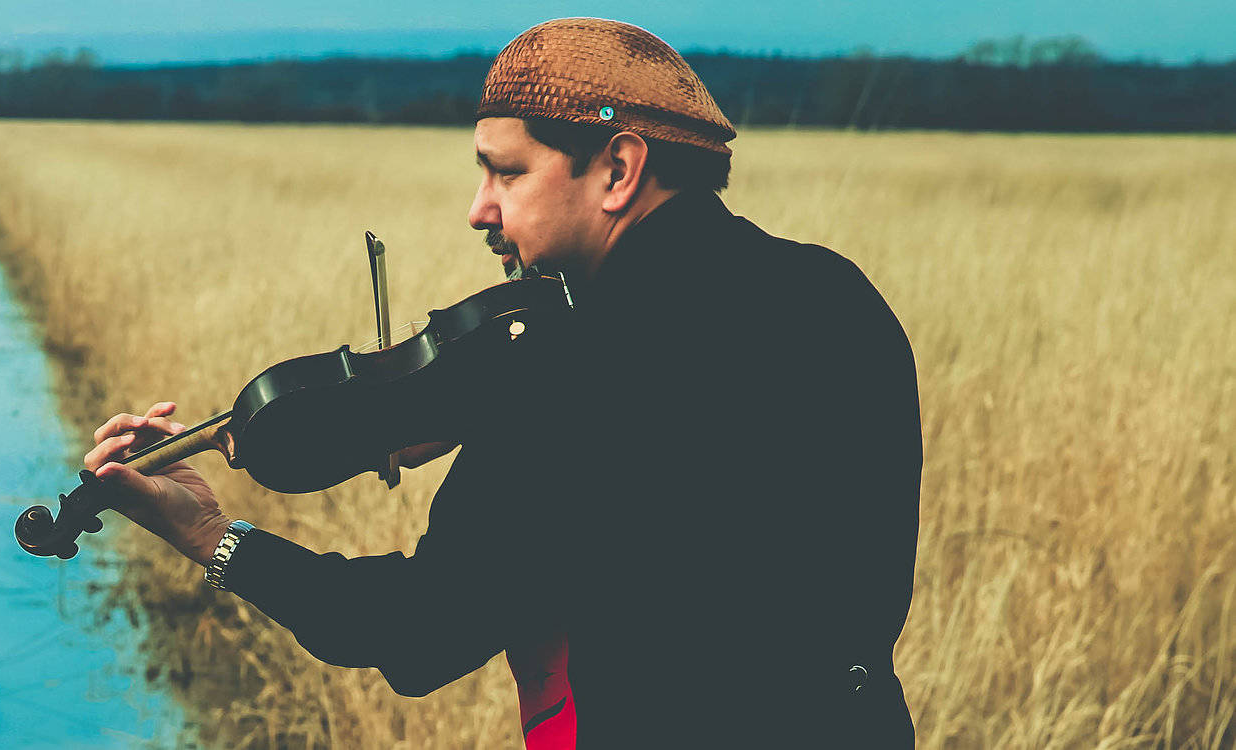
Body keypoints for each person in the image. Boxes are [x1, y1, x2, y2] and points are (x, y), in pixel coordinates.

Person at [83, 17, 922, 748]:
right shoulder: (840, 296)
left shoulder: (563, 366)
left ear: (618, 169)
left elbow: (417, 632)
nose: (479, 208)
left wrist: (213, 537)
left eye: (507, 172)